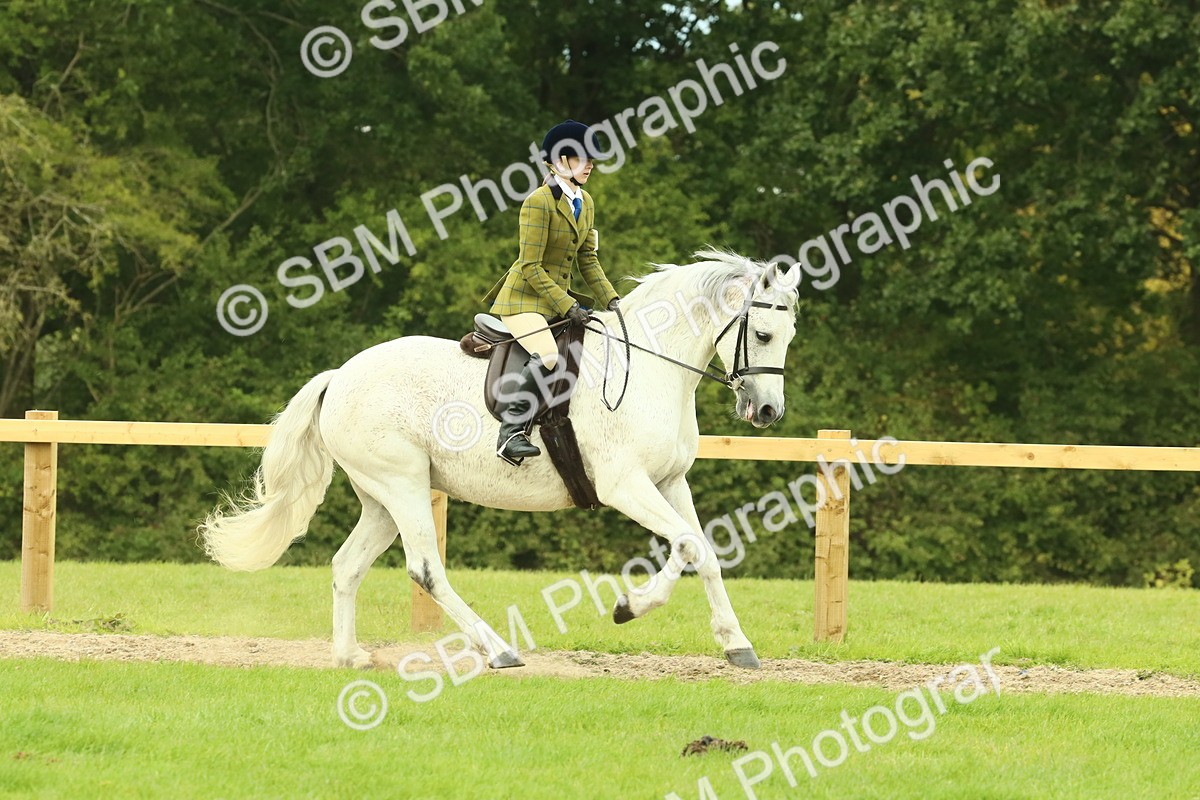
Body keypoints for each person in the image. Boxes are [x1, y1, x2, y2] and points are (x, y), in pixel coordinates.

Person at [482, 119, 621, 465]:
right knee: (548, 357)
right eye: (582, 158)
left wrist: (614, 301)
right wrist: (569, 304)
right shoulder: (538, 203)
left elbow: (588, 260)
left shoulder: (585, 202)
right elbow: (530, 265)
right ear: (559, 162)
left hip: (557, 301)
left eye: (592, 159)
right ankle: (511, 432)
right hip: (523, 299)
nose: (590, 165)